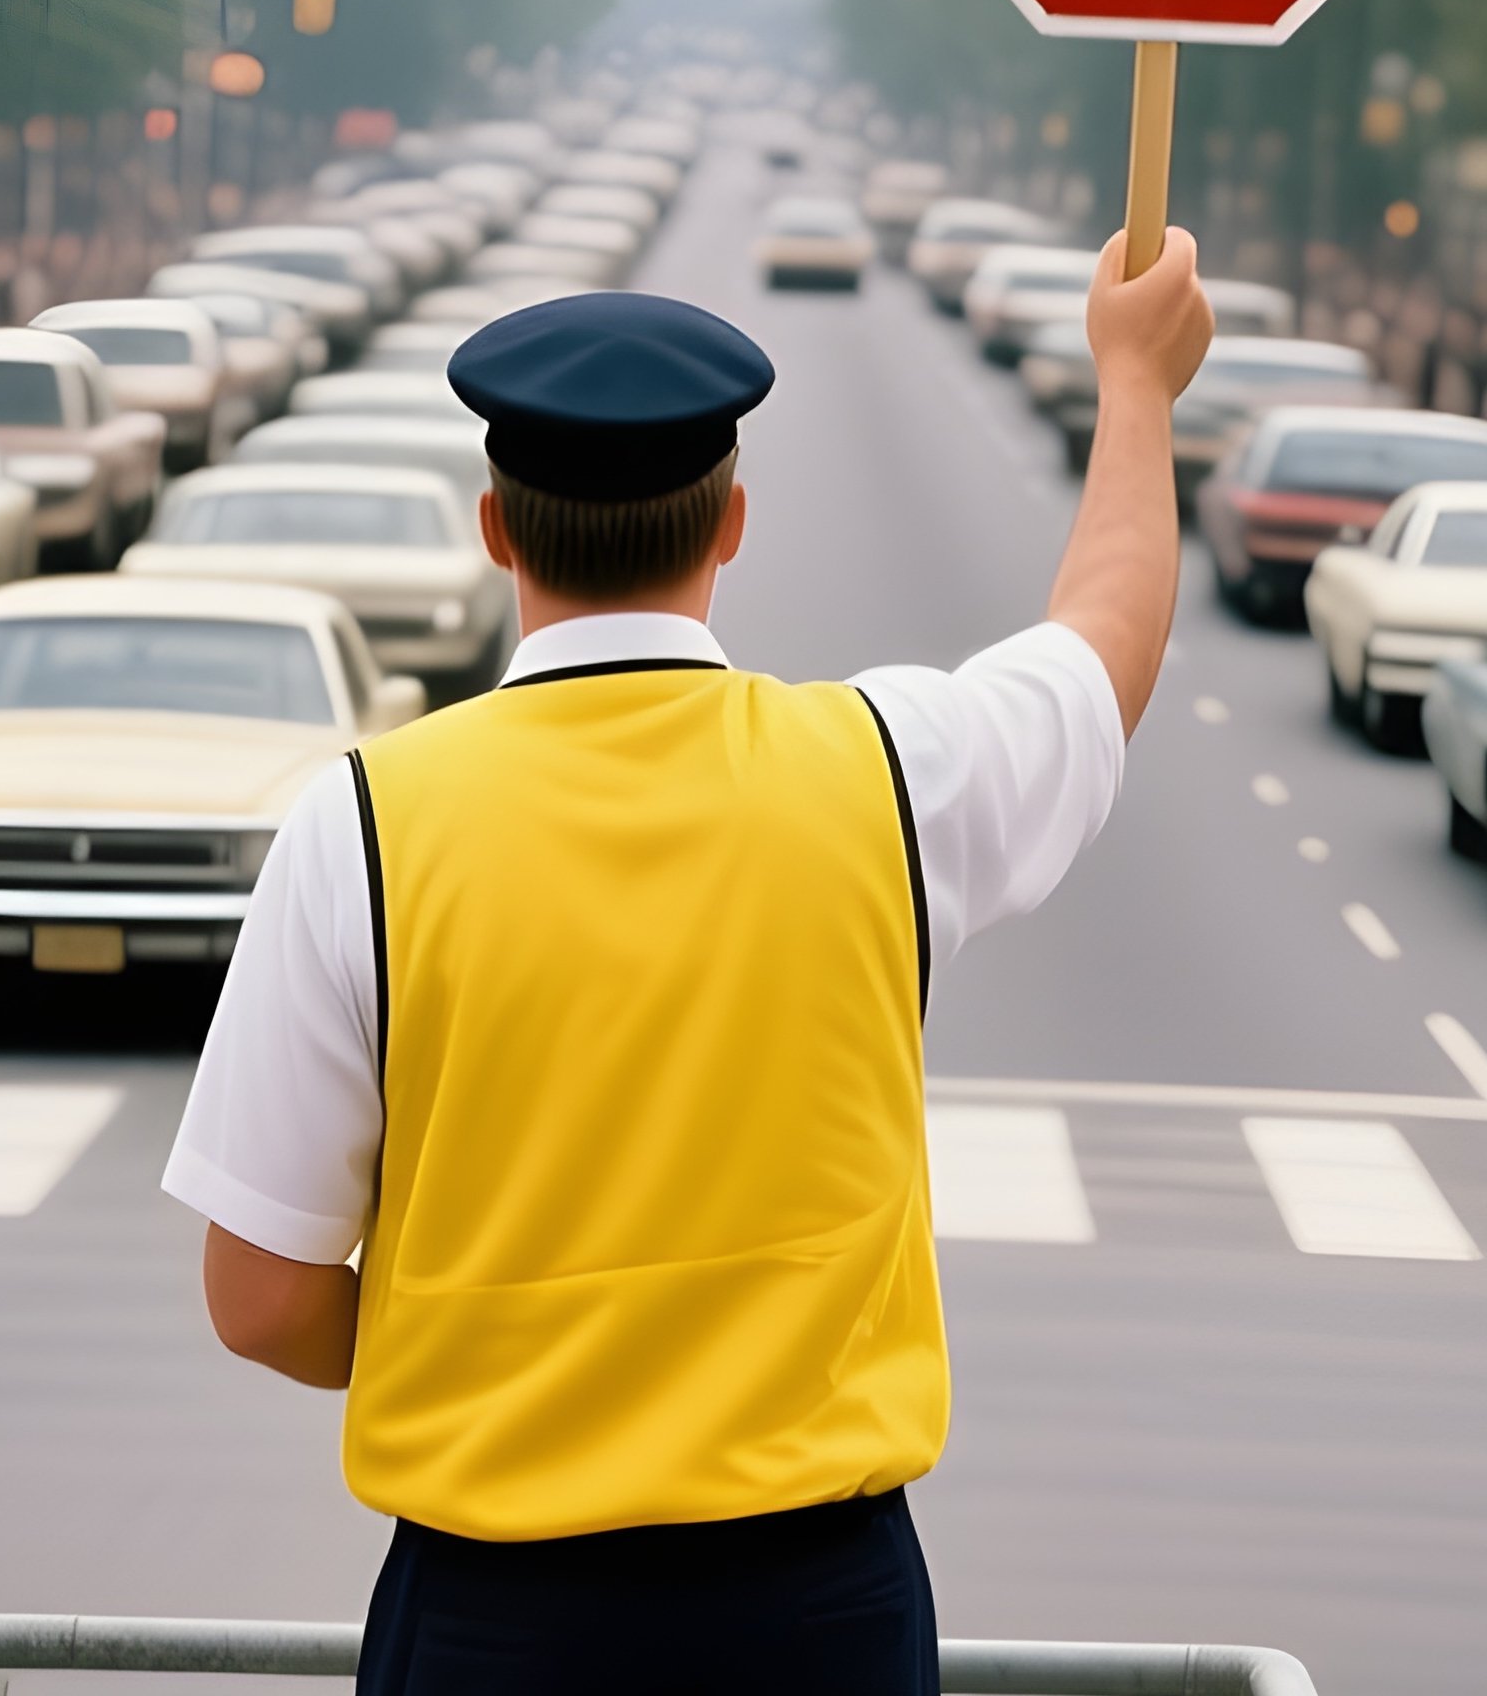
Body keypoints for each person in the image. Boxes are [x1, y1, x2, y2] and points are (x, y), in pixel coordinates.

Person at [163, 228, 1215, 1694]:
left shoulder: (361, 826)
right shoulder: (887, 773)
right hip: (821, 1620)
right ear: (731, 524)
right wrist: (1135, 384)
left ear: (495, 530)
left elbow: (262, 1298)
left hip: (490, 1624)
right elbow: (1105, 642)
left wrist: (494, 1355)